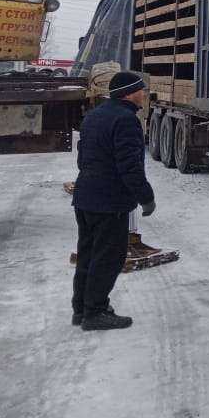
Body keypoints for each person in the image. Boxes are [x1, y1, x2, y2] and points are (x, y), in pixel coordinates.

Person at [71, 70, 157, 331]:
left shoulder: (95, 115)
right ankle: (95, 312)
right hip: (109, 202)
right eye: (142, 89)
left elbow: (82, 157)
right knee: (108, 257)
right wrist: (147, 198)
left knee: (88, 253)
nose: (145, 93)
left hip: (85, 197)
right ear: (130, 93)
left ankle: (82, 309)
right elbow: (130, 167)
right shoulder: (126, 121)